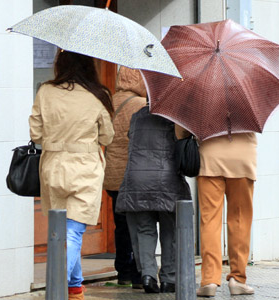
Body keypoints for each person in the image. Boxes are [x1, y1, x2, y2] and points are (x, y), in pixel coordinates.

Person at [29, 50, 114, 300]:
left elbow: (36, 133)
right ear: (89, 66)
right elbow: (107, 137)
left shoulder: (45, 91)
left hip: (53, 166)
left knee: (63, 229)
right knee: (74, 231)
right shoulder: (98, 95)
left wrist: (56, 140)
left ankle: (75, 287)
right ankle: (57, 289)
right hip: (85, 167)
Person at [115, 106, 192, 294]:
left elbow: (131, 139)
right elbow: (182, 140)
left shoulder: (137, 116)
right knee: (170, 231)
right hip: (168, 179)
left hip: (137, 179)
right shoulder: (175, 115)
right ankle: (169, 278)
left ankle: (148, 274)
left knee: (143, 229)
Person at [194, 132, 257, 297]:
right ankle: (237, 279)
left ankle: (209, 280)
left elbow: (181, 131)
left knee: (210, 221)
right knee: (240, 220)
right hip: (242, 158)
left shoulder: (201, 105)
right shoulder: (248, 105)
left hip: (209, 158)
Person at [103, 66, 146, 288]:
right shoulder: (141, 105)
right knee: (138, 225)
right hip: (133, 173)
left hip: (111, 173)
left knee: (120, 224)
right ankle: (139, 274)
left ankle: (123, 272)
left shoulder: (108, 101)